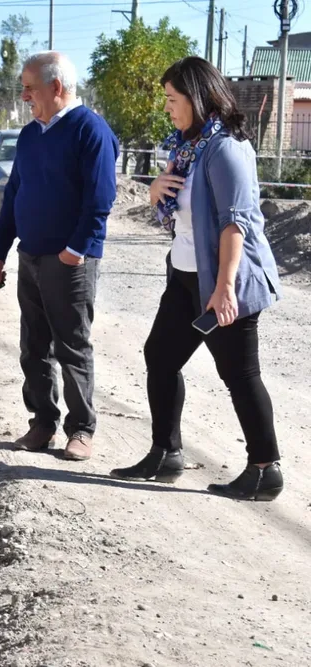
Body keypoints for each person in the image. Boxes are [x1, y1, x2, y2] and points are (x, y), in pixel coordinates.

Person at [111, 57, 284, 501]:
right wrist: (155, 191)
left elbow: (235, 223)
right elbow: (182, 212)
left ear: (197, 97)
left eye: (172, 99)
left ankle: (264, 469)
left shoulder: (226, 148)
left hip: (223, 281)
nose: (167, 107)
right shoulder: (188, 149)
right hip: (186, 276)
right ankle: (165, 453)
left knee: (239, 374)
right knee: (160, 357)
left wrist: (224, 288)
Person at [0, 52, 119, 461]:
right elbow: (14, 194)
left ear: (56, 87)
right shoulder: (30, 135)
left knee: (71, 345)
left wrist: (74, 251)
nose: (24, 95)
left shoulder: (90, 131)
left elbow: (100, 200)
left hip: (70, 261)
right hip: (31, 256)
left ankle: (81, 430)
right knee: (34, 345)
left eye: (30, 88)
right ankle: (43, 422)